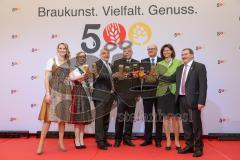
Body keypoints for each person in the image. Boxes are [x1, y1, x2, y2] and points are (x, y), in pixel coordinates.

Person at [159, 48, 207, 157]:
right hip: (181, 100)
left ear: (192, 55)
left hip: (193, 101)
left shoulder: (199, 67)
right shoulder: (180, 68)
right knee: (186, 125)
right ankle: (189, 146)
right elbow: (171, 79)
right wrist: (157, 76)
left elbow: (203, 86)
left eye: (185, 54)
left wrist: (201, 101)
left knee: (196, 125)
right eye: (182, 54)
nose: (183, 56)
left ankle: (199, 148)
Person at [37, 43, 72, 155]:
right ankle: (41, 144)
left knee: (61, 120)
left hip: (65, 92)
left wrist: (81, 76)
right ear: (57, 49)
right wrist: (47, 93)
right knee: (48, 119)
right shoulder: (51, 60)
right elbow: (46, 78)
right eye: (60, 48)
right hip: (53, 91)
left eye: (64, 48)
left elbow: (71, 77)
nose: (62, 50)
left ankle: (60, 142)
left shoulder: (70, 62)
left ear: (67, 50)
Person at [112, 46, 140, 147]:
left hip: (133, 95)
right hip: (121, 94)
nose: (126, 52)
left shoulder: (137, 62)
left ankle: (127, 139)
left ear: (132, 52)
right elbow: (113, 79)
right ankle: (117, 140)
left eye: (128, 51)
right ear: (122, 52)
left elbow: (138, 79)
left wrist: (137, 93)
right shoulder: (117, 62)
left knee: (130, 118)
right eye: (125, 51)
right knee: (120, 118)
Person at [156, 44, 182, 151]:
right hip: (162, 92)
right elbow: (158, 78)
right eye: (164, 51)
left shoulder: (178, 62)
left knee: (175, 118)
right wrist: (169, 78)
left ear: (171, 51)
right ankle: (167, 140)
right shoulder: (159, 63)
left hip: (174, 91)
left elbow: (177, 77)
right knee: (165, 117)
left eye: (168, 50)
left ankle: (176, 140)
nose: (165, 52)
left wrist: (165, 78)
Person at [140, 44, 163, 147]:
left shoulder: (162, 61)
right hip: (147, 93)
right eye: (149, 49)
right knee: (148, 117)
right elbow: (140, 77)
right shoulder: (143, 61)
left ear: (156, 50)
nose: (150, 50)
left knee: (159, 117)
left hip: (160, 93)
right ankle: (147, 139)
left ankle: (158, 140)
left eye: (152, 49)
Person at [69, 51, 92, 149]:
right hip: (77, 93)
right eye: (80, 57)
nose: (82, 58)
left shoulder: (87, 69)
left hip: (85, 94)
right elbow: (71, 78)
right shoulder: (73, 69)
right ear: (77, 58)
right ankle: (77, 140)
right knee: (78, 119)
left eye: (84, 57)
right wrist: (82, 76)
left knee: (83, 120)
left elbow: (89, 81)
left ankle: (82, 140)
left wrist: (90, 85)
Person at [92, 48, 115, 150]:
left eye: (108, 53)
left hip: (109, 96)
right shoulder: (96, 64)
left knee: (106, 119)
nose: (106, 55)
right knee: (100, 119)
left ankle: (104, 139)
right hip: (100, 96)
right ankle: (100, 141)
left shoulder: (110, 65)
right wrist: (114, 75)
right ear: (100, 54)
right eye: (104, 53)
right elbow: (100, 76)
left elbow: (113, 80)